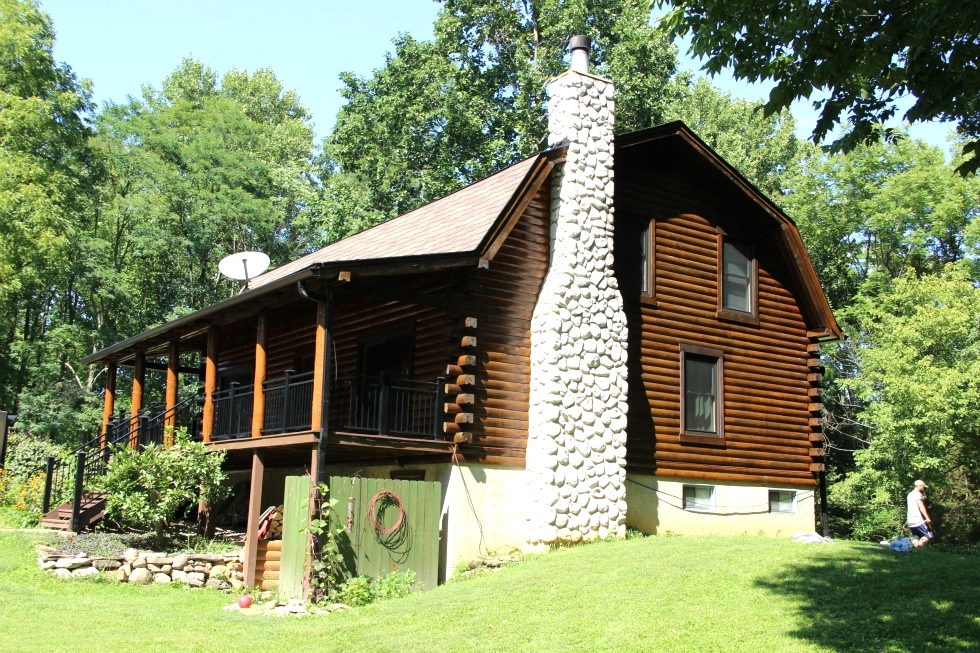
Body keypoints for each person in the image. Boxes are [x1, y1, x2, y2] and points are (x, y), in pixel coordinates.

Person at [906, 480, 933, 547]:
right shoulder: (918, 494)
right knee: (929, 535)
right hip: (917, 519)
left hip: (910, 520)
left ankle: (914, 549)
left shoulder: (910, 494)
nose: (923, 488)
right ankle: (920, 546)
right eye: (923, 486)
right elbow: (921, 506)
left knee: (916, 537)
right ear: (920, 486)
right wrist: (927, 517)